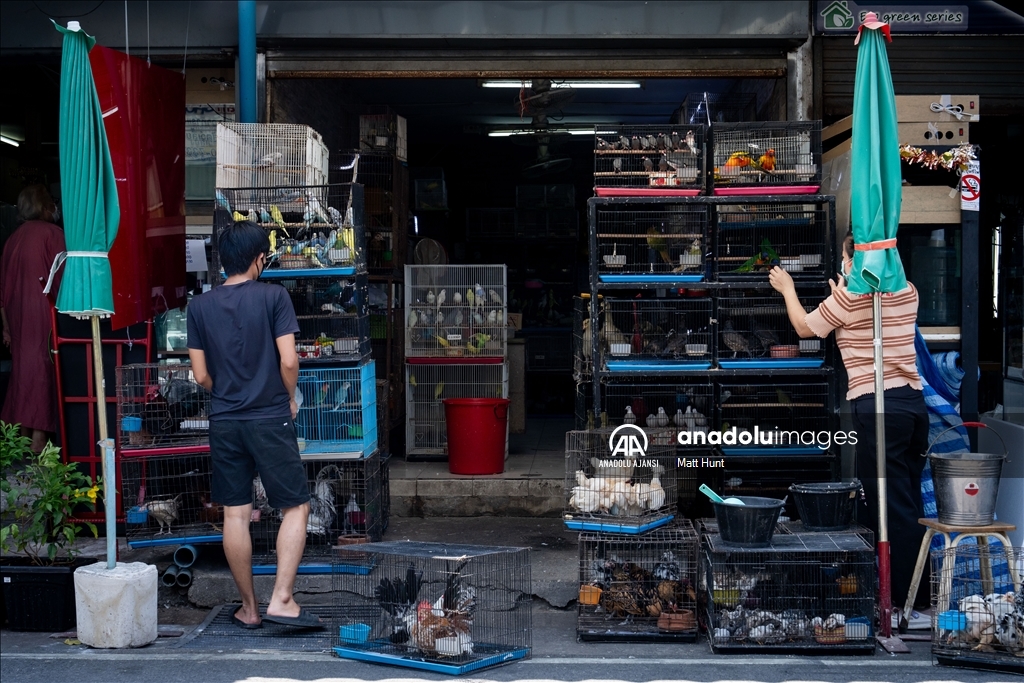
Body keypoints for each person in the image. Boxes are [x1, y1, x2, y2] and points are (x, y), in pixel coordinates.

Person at [769, 230, 929, 623]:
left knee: (887, 507)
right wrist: (843, 290)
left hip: (879, 406)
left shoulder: (850, 297)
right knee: (907, 501)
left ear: (852, 260)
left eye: (845, 257)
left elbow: (805, 328)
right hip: (912, 405)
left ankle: (904, 605)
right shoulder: (908, 290)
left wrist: (788, 288)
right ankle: (910, 596)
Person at [187, 221, 322, 629]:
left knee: (235, 513)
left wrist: (225, 390)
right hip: (269, 417)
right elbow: (288, 360)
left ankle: (248, 608)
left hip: (225, 420)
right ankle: (281, 598)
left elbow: (199, 375)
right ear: (258, 258)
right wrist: (289, 397)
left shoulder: (199, 306)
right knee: (295, 506)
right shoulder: (273, 297)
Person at [1, 185, 65, 452]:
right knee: (42, 374)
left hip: (16, 317)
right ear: (46, 206)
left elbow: (3, 291)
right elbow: (65, 280)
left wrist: (5, 327)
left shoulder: (12, 239)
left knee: (23, 375)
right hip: (43, 313)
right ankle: (39, 440)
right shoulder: (53, 234)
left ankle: (21, 438)